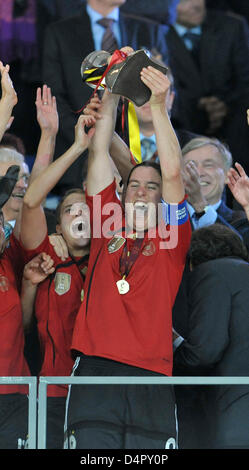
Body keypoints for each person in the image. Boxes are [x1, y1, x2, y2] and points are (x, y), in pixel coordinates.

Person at [63, 48, 191, 450]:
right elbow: (99, 152)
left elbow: (172, 171)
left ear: (161, 200)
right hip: (96, 368)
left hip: (151, 373)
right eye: (134, 183)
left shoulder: (170, 237)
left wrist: (157, 106)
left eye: (151, 188)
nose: (142, 190)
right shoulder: (106, 224)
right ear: (121, 191)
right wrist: (112, 87)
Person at [20, 113, 95, 449]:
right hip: (51, 393)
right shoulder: (48, 254)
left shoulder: (114, 255)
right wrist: (77, 147)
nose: (78, 213)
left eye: (85, 208)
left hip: (101, 395)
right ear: (59, 226)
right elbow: (32, 200)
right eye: (69, 210)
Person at [42, 0, 168, 196]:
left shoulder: (149, 30)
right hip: (78, 159)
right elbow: (54, 97)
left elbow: (165, 88)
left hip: (137, 154)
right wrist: (87, 134)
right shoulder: (59, 33)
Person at [173, 223, 249, 449]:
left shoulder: (212, 273)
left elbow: (205, 351)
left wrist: (172, 339)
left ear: (193, 259)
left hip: (236, 416)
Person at [166, 0, 249, 175]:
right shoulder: (155, 33)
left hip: (233, 124)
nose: (196, 4)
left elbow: (245, 80)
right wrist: (198, 107)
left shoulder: (232, 26)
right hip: (182, 126)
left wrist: (222, 106)